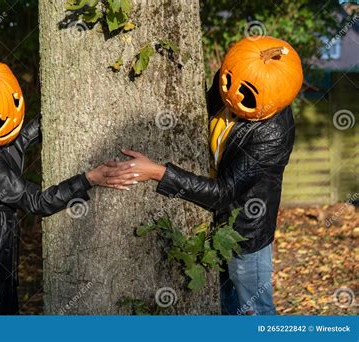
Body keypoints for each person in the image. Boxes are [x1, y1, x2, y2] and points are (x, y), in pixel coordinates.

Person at [104, 37, 302, 315]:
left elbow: (223, 193)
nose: (231, 95)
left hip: (245, 233)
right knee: (225, 306)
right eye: (227, 81)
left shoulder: (272, 135)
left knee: (255, 311)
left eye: (244, 92)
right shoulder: (234, 80)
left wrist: (158, 172)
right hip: (213, 226)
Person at [0, 58, 124, 315]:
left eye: (14, 102)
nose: (9, 116)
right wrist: (88, 179)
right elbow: (36, 202)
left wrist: (49, 116)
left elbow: (16, 139)